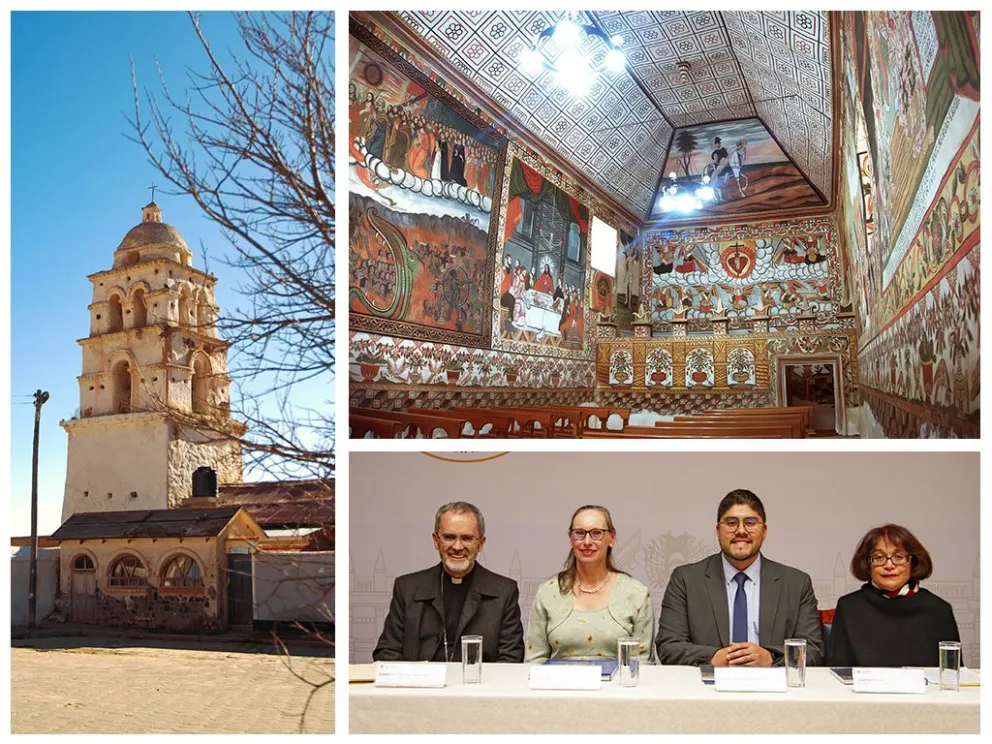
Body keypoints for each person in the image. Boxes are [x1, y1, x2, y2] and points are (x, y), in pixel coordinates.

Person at [656, 489, 823, 666]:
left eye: (750, 522)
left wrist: (771, 658)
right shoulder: (686, 579)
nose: (741, 531)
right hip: (706, 689)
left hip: (773, 690)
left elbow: (813, 650)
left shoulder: (796, 583)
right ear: (718, 530)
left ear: (764, 531)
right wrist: (714, 657)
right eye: (731, 522)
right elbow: (668, 646)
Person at [373, 501, 525, 663]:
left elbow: (511, 658)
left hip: (479, 686)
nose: (457, 547)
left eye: (467, 538)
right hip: (420, 687)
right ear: (436, 541)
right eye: (449, 537)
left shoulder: (504, 591)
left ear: (480, 544)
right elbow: (387, 652)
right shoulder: (408, 589)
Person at [525, 505, 653, 663]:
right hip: (558, 687)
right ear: (570, 538)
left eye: (596, 533)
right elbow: (534, 661)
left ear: (612, 537)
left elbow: (642, 664)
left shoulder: (636, 593)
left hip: (617, 687)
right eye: (579, 533)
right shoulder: (548, 592)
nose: (587, 541)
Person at [826, 524, 960, 667]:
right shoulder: (849, 607)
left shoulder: (938, 610)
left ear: (913, 562)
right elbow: (837, 672)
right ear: (867, 564)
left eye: (898, 557)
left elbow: (952, 675)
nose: (889, 565)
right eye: (879, 557)